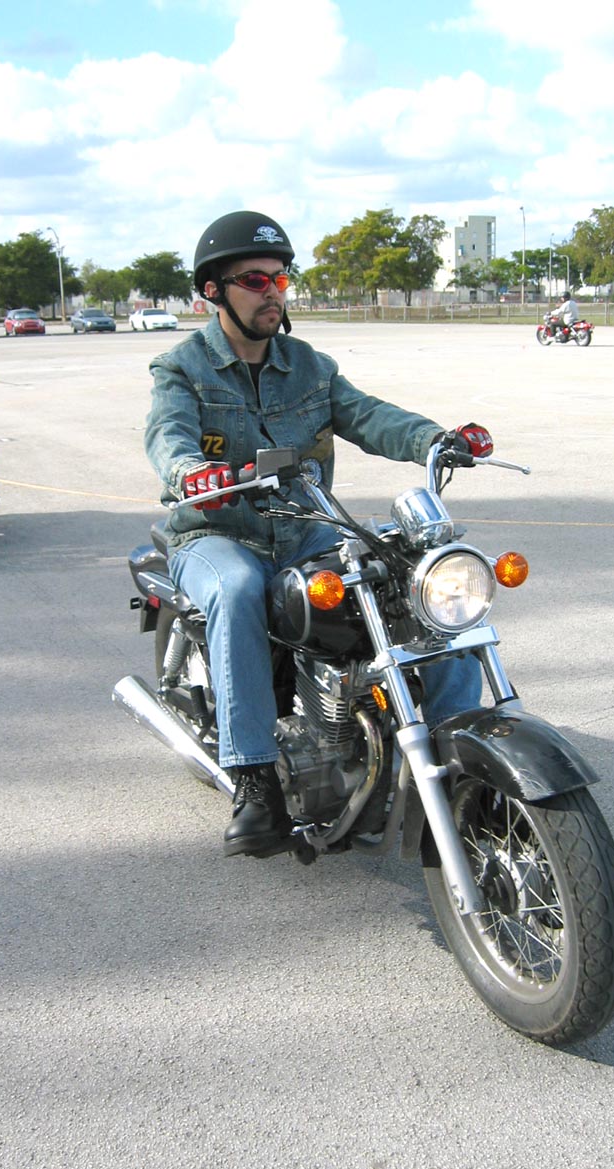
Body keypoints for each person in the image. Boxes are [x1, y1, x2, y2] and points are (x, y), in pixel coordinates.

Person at [144, 210, 488, 858]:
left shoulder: (309, 366)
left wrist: (433, 439)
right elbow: (169, 436)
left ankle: (456, 748)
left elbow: (368, 415)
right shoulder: (182, 368)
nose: (272, 291)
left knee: (409, 576)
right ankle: (254, 780)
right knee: (238, 589)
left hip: (304, 528)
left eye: (280, 278)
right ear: (214, 290)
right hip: (216, 533)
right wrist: (193, 473)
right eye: (255, 279)